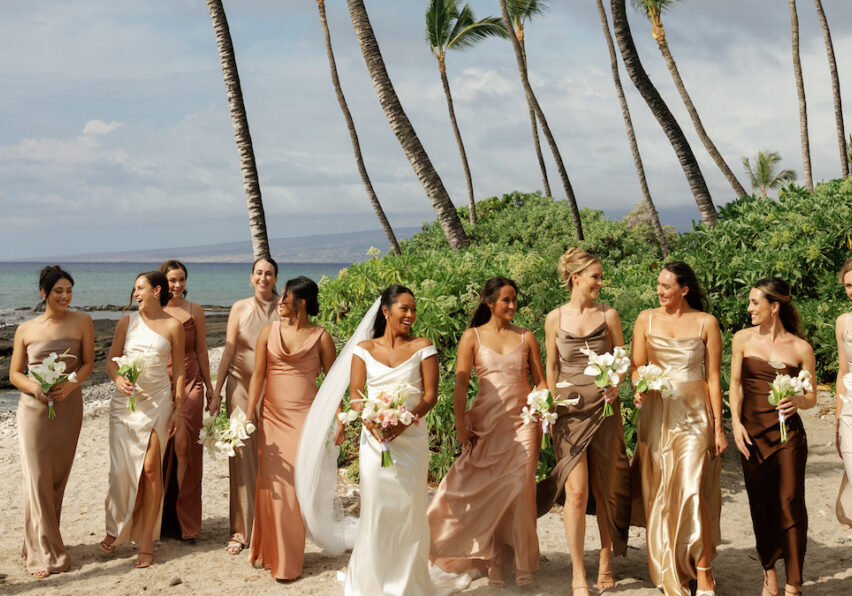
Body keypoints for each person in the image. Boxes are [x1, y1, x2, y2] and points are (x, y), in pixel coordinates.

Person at [428, 276, 545, 589]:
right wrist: (460, 422)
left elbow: (540, 381)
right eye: (505, 300)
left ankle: (521, 561)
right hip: (486, 423)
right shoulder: (472, 337)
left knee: (520, 491)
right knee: (490, 491)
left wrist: (542, 406)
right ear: (489, 303)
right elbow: (462, 383)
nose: (512, 305)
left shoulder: (526, 336)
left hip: (524, 424)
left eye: (514, 299)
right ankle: (493, 560)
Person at [536, 249, 631, 594]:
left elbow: (622, 359)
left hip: (604, 409)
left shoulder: (610, 315)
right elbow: (551, 366)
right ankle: (578, 573)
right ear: (575, 277)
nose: (600, 283)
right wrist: (549, 407)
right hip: (569, 411)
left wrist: (616, 386)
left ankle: (605, 557)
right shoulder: (554, 318)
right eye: (595, 276)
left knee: (605, 487)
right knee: (575, 493)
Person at [631, 262, 725, 596]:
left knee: (692, 489)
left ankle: (703, 571)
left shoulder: (706, 323)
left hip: (696, 413)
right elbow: (637, 366)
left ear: (684, 289)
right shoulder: (646, 319)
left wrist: (719, 429)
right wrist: (638, 384)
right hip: (657, 414)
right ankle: (675, 567)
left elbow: (713, 377)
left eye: (666, 286)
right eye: (658, 285)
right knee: (663, 493)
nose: (660, 291)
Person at [344, 285, 439, 595]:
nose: (411, 315)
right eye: (405, 309)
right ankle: (373, 582)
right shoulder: (363, 349)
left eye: (413, 309)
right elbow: (356, 396)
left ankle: (407, 585)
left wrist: (404, 423)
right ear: (386, 311)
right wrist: (372, 423)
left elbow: (430, 396)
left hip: (410, 440)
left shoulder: (424, 347)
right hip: (374, 441)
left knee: (410, 510)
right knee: (377, 508)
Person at [245, 276, 337, 581]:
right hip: (271, 418)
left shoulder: (322, 337)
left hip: (306, 420)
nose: (279, 301)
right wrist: (249, 414)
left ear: (301, 302)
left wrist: (339, 419)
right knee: (275, 487)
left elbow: (333, 384)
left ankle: (288, 560)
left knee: (296, 488)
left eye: (284, 297)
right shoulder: (268, 333)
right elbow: (258, 375)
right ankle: (273, 552)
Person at [729, 277, 816, 596]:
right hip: (752, 435)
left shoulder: (800, 348)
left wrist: (797, 401)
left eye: (755, 303)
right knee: (761, 504)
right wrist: (736, 425)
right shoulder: (741, 340)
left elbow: (812, 397)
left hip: (789, 437)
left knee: (791, 503)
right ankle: (770, 575)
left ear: (774, 307)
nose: (749, 308)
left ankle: (793, 582)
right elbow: (735, 385)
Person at [9, 266, 94, 578]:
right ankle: (47, 554)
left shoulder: (83, 321)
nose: (65, 296)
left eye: (69, 291)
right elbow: (14, 373)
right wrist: (35, 387)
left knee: (57, 478)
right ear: (44, 293)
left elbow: (88, 363)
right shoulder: (25, 330)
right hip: (33, 412)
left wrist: (71, 385)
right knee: (37, 478)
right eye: (59, 291)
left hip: (69, 408)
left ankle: (39, 541)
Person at [101, 271, 185, 568]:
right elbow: (111, 361)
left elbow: (182, 372)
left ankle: (147, 540)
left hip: (158, 402)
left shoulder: (174, 326)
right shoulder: (127, 322)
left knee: (151, 468)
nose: (136, 293)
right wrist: (119, 379)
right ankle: (116, 527)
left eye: (141, 288)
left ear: (156, 290)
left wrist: (177, 408)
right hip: (125, 403)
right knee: (121, 470)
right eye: (134, 288)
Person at [209, 257, 278, 554]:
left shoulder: (283, 308)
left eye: (269, 274)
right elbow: (228, 351)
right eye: (259, 273)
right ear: (251, 277)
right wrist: (216, 392)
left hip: (273, 391)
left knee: (274, 457)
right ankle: (240, 531)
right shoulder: (239, 308)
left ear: (276, 279)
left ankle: (272, 524)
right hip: (238, 388)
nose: (263, 278)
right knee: (241, 457)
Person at [158, 260, 215, 542]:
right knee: (159, 450)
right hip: (159, 385)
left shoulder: (195, 310)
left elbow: (203, 350)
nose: (177, 285)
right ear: (162, 281)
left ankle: (187, 522)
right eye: (172, 280)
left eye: (181, 279)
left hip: (191, 383)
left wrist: (211, 389)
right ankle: (160, 520)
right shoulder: (153, 311)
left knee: (187, 450)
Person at [836, 258, 852, 531]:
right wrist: (838, 419)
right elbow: (842, 371)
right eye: (848, 285)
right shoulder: (843, 322)